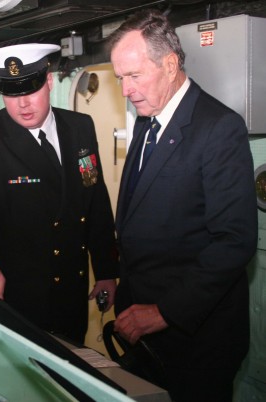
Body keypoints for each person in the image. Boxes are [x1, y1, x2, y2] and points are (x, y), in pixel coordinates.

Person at [109, 9, 257, 402]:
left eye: (134, 76)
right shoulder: (147, 119)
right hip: (144, 331)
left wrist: (163, 312)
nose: (126, 90)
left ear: (170, 64)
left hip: (194, 337)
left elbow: (234, 241)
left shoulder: (218, 128)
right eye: (120, 78)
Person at [0, 43, 117, 344]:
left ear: (49, 81)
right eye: (12, 93)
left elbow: (95, 200)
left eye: (31, 90)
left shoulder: (80, 127)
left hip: (71, 294)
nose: (23, 103)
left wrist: (106, 270)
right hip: (19, 299)